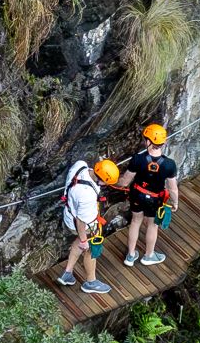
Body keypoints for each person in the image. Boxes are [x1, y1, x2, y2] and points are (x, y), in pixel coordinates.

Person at [122, 123, 178, 268]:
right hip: (155, 198)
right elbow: (172, 188)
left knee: (135, 222)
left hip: (137, 194)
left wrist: (111, 180)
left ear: (148, 141)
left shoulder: (137, 159)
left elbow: (125, 181)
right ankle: (149, 255)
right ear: (163, 143)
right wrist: (175, 202)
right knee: (152, 225)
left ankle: (131, 255)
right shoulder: (169, 164)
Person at [58, 159, 116, 294]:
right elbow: (81, 222)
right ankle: (90, 282)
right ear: (101, 180)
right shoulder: (87, 196)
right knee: (91, 248)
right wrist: (85, 241)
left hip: (69, 213)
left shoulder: (80, 165)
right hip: (82, 223)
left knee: (79, 241)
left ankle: (67, 273)